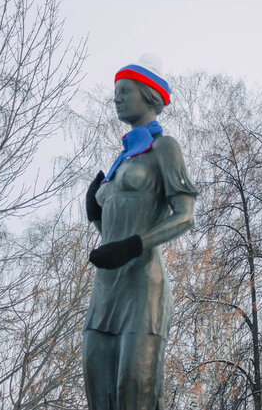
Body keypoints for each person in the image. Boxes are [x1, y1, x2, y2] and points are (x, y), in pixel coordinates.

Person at [82, 54, 197, 409]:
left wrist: (133, 246)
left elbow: (185, 216)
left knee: (133, 393)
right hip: (106, 288)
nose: (116, 98)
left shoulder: (164, 148)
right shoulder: (122, 160)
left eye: (125, 90)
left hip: (143, 287)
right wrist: (96, 215)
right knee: (99, 394)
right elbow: (115, 228)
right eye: (115, 91)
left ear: (149, 95)